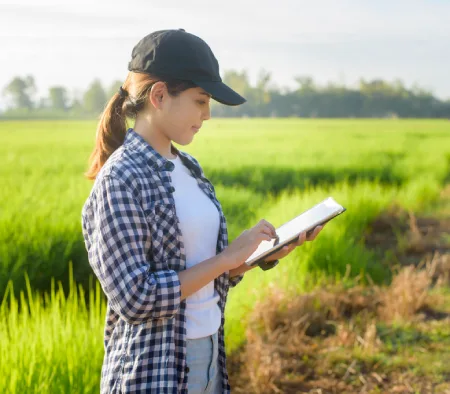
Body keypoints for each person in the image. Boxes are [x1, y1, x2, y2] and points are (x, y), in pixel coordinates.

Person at [81, 28, 323, 394]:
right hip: (154, 370)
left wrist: (257, 256)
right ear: (159, 95)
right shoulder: (120, 179)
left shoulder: (189, 168)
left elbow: (199, 275)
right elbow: (136, 297)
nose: (207, 115)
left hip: (209, 354)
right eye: (200, 100)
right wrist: (226, 258)